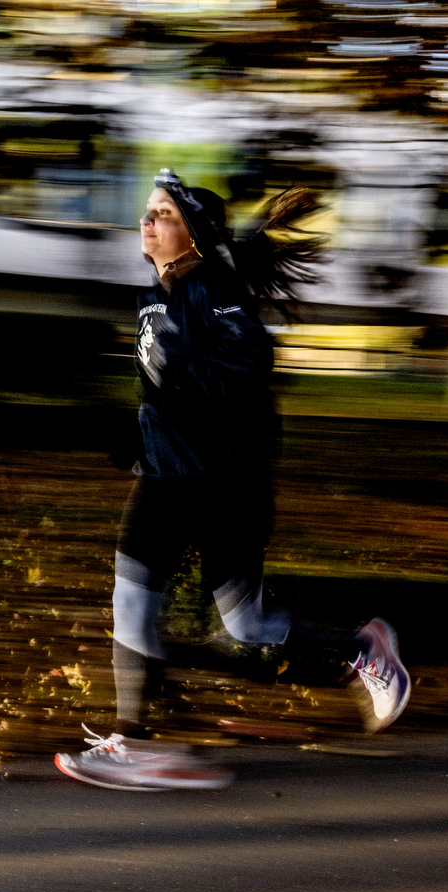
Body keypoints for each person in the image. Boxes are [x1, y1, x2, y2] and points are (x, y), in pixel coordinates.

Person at [54, 169, 411, 791]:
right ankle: (139, 744)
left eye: (164, 213)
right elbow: (163, 389)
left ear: (194, 235)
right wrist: (135, 437)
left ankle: (363, 650)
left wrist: (180, 372)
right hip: (164, 476)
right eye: (148, 210)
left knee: (246, 626)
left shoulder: (216, 291)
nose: (147, 220)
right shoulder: (156, 297)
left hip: (223, 481)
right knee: (130, 605)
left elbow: (247, 363)